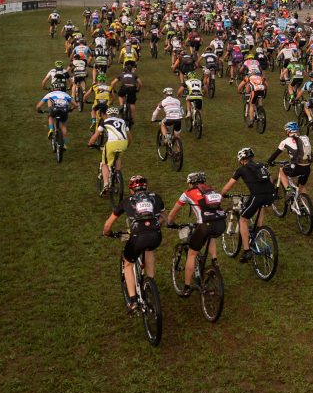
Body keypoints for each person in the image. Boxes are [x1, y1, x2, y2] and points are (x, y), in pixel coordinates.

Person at [101, 175, 163, 311]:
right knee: (149, 249)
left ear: (131, 190)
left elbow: (108, 224)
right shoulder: (156, 197)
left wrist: (106, 233)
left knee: (128, 263)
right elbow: (161, 218)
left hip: (137, 235)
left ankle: (133, 301)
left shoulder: (126, 201)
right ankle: (150, 281)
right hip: (156, 235)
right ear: (146, 187)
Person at [166, 171, 226, 296]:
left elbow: (172, 213)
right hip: (221, 223)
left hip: (205, 225)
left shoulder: (187, 193)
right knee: (210, 236)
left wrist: (170, 223)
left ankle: (187, 287)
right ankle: (215, 261)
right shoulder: (212, 191)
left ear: (191, 183)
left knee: (192, 253)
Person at [219, 147, 277, 263]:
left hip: (257, 196)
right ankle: (260, 230)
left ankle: (246, 251)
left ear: (241, 160)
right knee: (260, 206)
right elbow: (270, 180)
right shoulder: (262, 165)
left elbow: (229, 185)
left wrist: (222, 194)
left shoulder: (241, 169)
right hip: (271, 194)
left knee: (243, 220)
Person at [88, 106, 131, 195]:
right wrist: (127, 145)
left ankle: (106, 184)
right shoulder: (123, 121)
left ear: (107, 114)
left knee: (104, 164)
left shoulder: (105, 122)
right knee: (118, 157)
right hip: (123, 142)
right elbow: (130, 137)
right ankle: (117, 174)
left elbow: (96, 135)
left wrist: (90, 143)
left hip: (111, 144)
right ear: (118, 114)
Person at [267, 122, 313, 198]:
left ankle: (289, 191)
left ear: (288, 131)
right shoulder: (305, 138)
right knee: (301, 187)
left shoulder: (285, 141)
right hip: (307, 167)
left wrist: (269, 162)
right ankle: (305, 206)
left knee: (282, 171)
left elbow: (276, 154)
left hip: (296, 167)